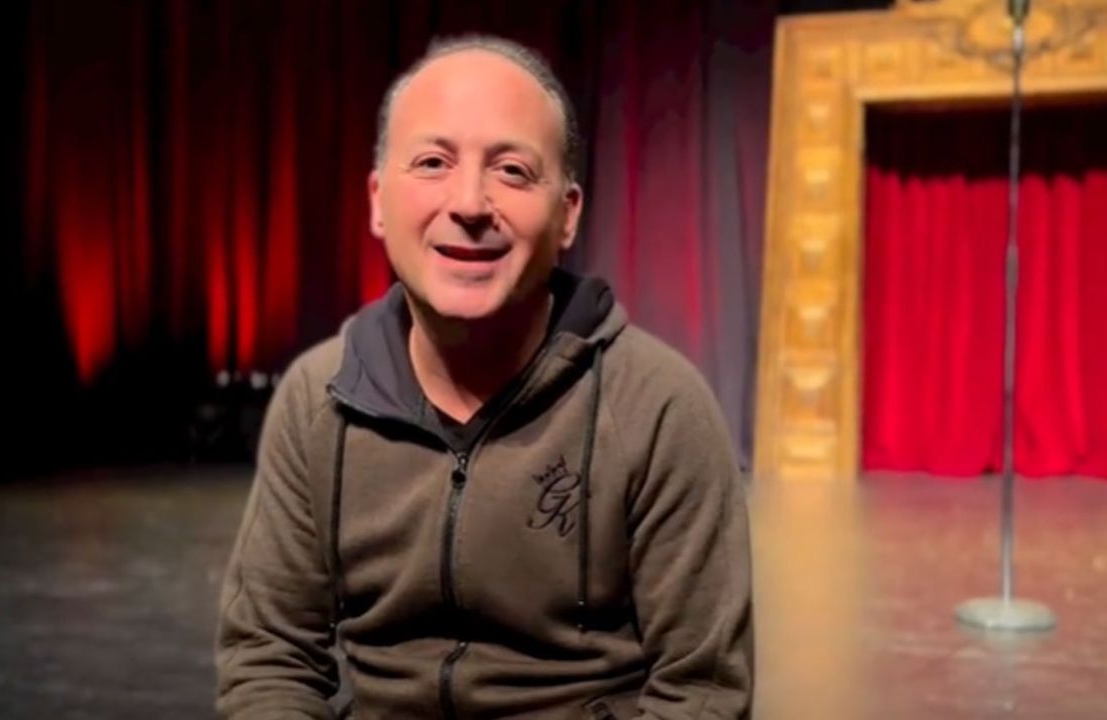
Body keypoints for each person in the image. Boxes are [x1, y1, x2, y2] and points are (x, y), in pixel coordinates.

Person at [216, 34, 752, 719]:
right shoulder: (318, 399)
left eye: (512, 171)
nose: (469, 203)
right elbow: (269, 658)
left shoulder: (660, 409)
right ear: (378, 201)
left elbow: (702, 694)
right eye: (432, 163)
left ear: (567, 214)